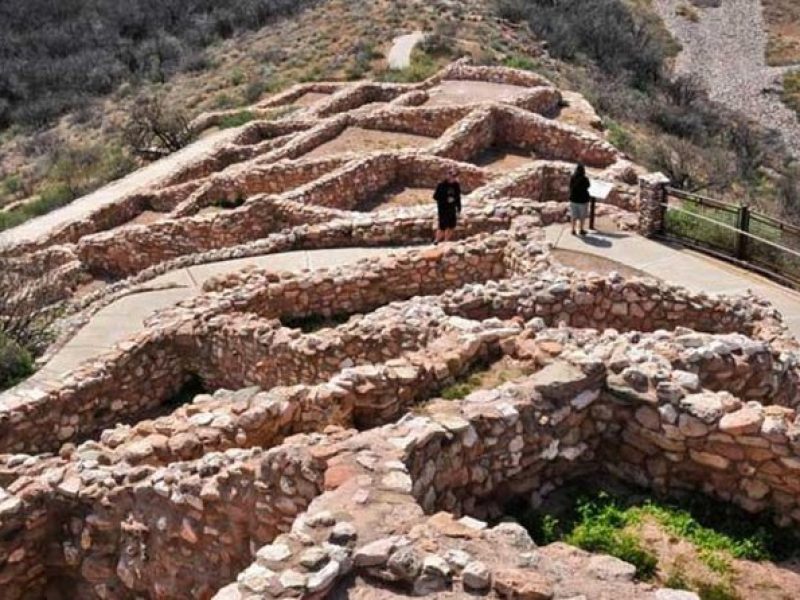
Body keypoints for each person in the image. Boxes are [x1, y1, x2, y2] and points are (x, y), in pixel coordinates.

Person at [433, 169, 461, 244]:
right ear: (448, 175)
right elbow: (435, 197)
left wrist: (459, 208)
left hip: (452, 209)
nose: (453, 178)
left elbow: (458, 197)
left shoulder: (456, 185)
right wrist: (446, 199)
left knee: (451, 225)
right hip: (443, 209)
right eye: (452, 176)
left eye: (455, 176)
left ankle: (446, 241)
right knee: (442, 226)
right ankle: (436, 241)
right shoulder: (441, 185)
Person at [569, 163, 591, 236]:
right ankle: (581, 229)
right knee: (582, 216)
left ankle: (573, 229)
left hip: (573, 199)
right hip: (583, 200)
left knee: (573, 216)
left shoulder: (572, 178)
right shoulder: (585, 179)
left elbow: (570, 187)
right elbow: (588, 186)